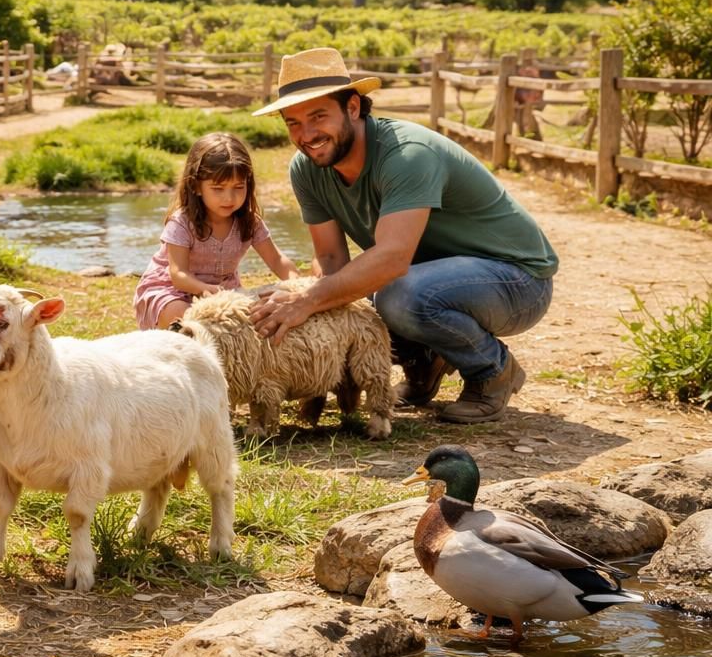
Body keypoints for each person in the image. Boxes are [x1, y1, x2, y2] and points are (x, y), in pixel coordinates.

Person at [247, 48, 558, 424]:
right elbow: (331, 260)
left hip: (517, 280)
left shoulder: (406, 154)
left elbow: (393, 258)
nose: (306, 135)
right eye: (293, 122)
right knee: (357, 299)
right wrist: (306, 307)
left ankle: (493, 371)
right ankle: (424, 363)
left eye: (317, 116)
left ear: (353, 108)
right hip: (433, 278)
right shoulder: (308, 169)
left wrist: (307, 301)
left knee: (393, 295)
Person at [133, 132, 300, 330]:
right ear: (196, 186)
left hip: (222, 293)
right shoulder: (183, 222)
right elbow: (178, 274)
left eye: (238, 187)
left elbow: (276, 260)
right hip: (174, 290)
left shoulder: (249, 222)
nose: (229, 198)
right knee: (186, 317)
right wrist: (207, 290)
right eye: (218, 188)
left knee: (249, 320)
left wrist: (299, 286)